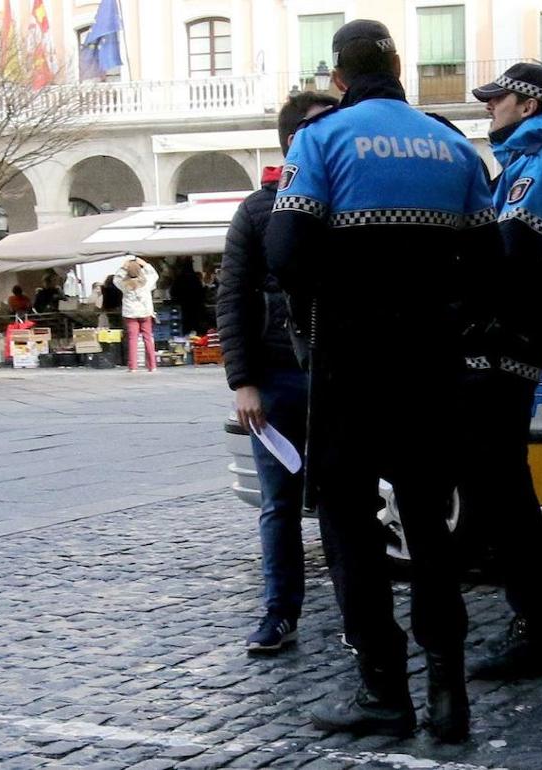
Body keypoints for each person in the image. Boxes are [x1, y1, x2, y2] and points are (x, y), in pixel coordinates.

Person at [265, 19, 502, 744]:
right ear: (398, 64)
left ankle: (382, 689)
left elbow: (284, 250)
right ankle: (449, 692)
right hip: (431, 364)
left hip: (353, 361)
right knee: (429, 522)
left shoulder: (323, 138)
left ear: (338, 78)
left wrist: (334, 301)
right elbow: (491, 261)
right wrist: (448, 315)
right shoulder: (451, 143)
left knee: (349, 525)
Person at [463, 63, 542, 680]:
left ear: (530, 105)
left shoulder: (539, 168)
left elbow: (508, 254)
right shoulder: (528, 163)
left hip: (504, 346)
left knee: (503, 493)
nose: (490, 108)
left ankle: (534, 630)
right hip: (507, 342)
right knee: (500, 488)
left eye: (498, 98)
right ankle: (541, 618)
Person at [217, 90, 338, 655]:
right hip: (277, 379)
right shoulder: (257, 210)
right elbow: (233, 300)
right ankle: (279, 612)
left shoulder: (345, 202)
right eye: (323, 127)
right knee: (280, 505)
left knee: (345, 504)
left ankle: (356, 616)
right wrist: (243, 381)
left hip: (338, 376)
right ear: (295, 139)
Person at [114, 256, 159, 372]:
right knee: (148, 338)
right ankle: (152, 365)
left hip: (130, 314)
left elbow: (116, 279)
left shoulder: (124, 284)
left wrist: (123, 268)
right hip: (145, 312)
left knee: (132, 339)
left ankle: (133, 366)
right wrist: (145, 264)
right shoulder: (147, 283)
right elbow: (154, 275)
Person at [171, 257, 208, 336]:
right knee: (196, 326)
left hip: (184, 306)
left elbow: (173, 292)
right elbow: (201, 292)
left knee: (186, 327)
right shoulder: (195, 278)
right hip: (196, 306)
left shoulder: (179, 278)